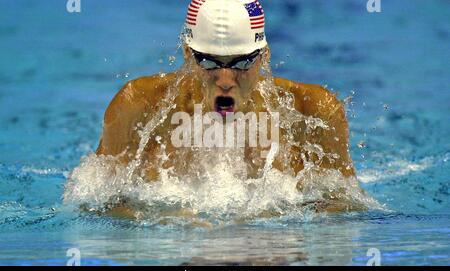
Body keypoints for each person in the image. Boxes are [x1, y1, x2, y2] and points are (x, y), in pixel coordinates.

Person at [95, 0, 362, 215]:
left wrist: (279, 219)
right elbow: (95, 203)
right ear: (188, 54)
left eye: (241, 63)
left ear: (264, 55)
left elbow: (347, 209)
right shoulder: (139, 106)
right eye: (209, 63)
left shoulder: (313, 111)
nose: (225, 81)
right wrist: (160, 220)